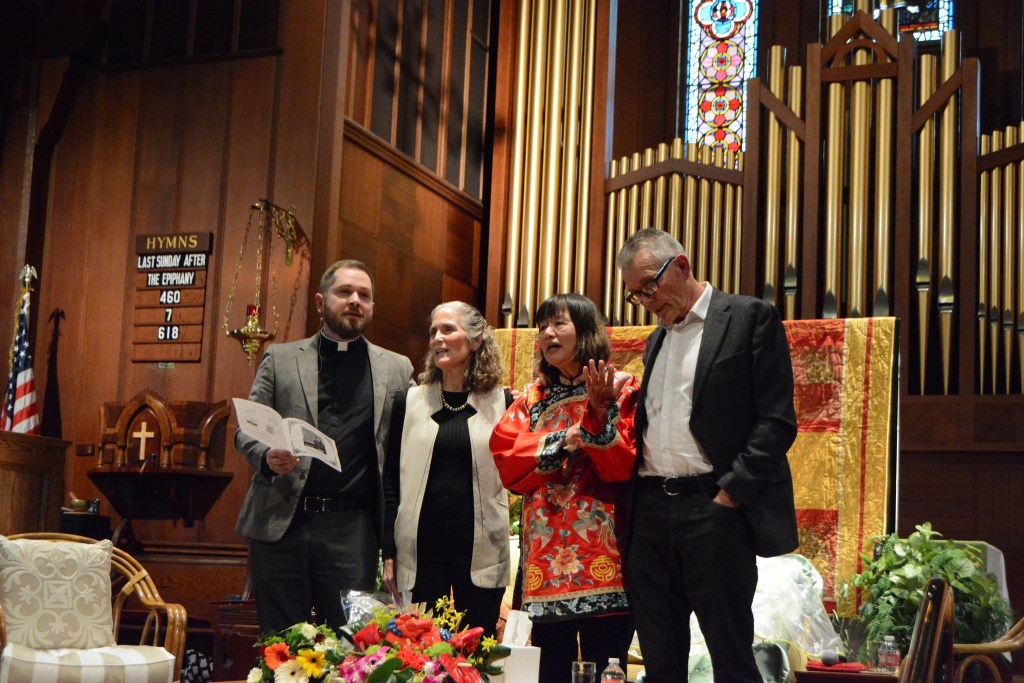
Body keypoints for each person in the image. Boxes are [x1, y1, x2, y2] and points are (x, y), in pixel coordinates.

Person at [616, 227, 799, 683]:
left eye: (650, 287)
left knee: (731, 658)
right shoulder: (656, 340)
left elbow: (777, 421)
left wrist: (729, 496)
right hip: (651, 512)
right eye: (636, 295)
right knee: (659, 662)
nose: (646, 302)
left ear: (681, 266)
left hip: (712, 509)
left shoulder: (749, 318)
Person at [235, 259, 414, 635]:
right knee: (281, 644)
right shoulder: (281, 359)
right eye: (344, 292)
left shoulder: (397, 369)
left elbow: (412, 439)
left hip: (352, 531)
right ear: (320, 303)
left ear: (372, 307)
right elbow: (246, 429)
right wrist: (266, 457)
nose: (355, 301)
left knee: (351, 644)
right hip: (282, 522)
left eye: (364, 295)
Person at [490, 293, 639, 683]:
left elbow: (624, 466)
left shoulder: (621, 390)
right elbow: (507, 459)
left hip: (606, 566)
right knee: (550, 673)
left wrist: (597, 415)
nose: (547, 334)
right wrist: (565, 439)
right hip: (544, 569)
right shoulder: (532, 399)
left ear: (586, 330)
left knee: (608, 669)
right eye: (542, 327)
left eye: (559, 324)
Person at [383, 301, 511, 633]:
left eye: (448, 329)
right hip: (420, 552)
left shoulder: (503, 403)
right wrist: (388, 552)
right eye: (433, 332)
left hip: (482, 550)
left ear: (476, 339)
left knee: (477, 650)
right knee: (420, 653)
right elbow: (390, 482)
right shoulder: (409, 402)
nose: (437, 338)